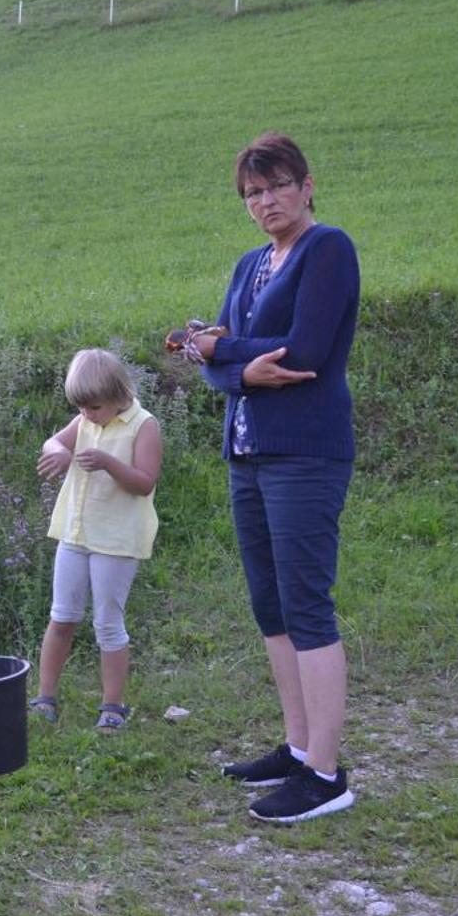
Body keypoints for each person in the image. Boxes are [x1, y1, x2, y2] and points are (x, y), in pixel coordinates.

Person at [186, 132, 361, 824]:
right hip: (247, 452)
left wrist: (219, 350)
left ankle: (325, 771)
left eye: (278, 185)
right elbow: (211, 363)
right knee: (270, 604)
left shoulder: (329, 250)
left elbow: (307, 351)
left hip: (305, 454)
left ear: (308, 185)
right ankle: (296, 746)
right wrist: (229, 362)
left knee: (307, 603)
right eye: (254, 193)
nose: (267, 202)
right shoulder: (249, 263)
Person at [30, 349, 162, 733]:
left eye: (94, 407)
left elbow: (144, 482)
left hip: (117, 540)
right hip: (75, 533)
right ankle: (45, 697)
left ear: (119, 394)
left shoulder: (143, 425)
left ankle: (113, 705)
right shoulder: (86, 418)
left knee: (107, 622)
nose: (87, 415)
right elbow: (53, 443)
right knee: (62, 615)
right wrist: (57, 453)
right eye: (81, 408)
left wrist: (107, 462)